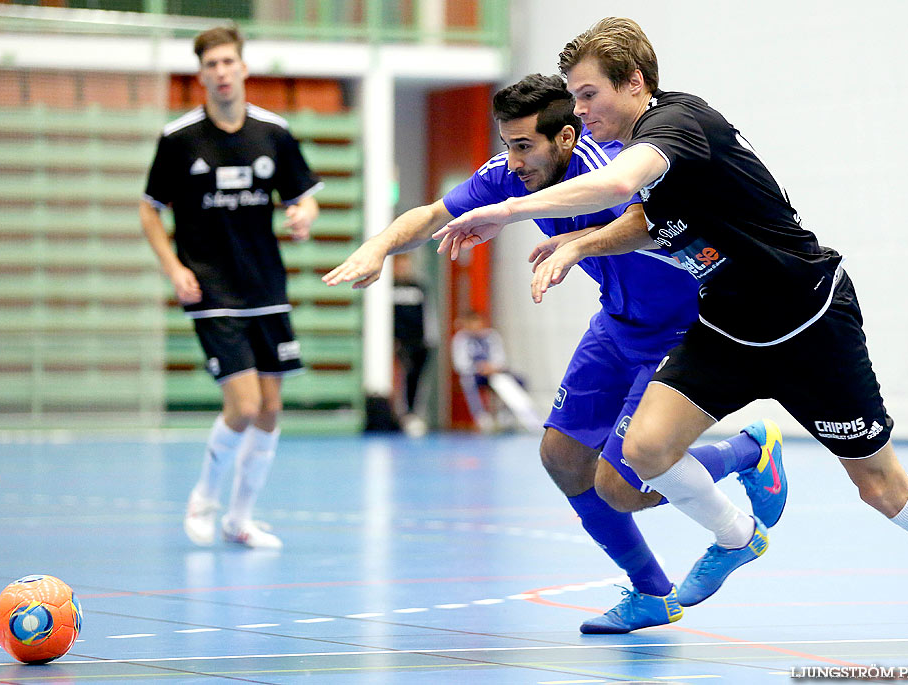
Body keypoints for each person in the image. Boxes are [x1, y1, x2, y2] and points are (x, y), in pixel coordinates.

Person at [434, 18, 908, 648]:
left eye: (589, 94)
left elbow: (617, 185)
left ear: (634, 83)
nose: (579, 110)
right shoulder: (644, 144)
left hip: (809, 323)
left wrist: (507, 211)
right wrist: (581, 245)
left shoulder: (676, 128)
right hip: (725, 325)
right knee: (642, 456)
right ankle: (736, 538)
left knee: (878, 485)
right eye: (573, 96)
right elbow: (645, 219)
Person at [325, 73, 784, 633]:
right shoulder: (510, 176)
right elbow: (429, 215)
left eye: (524, 146)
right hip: (618, 323)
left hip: (686, 328)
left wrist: (573, 240)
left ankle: (747, 453)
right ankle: (650, 593)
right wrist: (377, 247)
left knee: (625, 485)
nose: (513, 162)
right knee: (562, 458)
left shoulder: (614, 163)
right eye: (506, 145)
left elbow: (649, 218)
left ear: (565, 138)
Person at [139, 25, 322, 549]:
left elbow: (304, 197)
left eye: (228, 62)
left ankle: (240, 519)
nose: (221, 71)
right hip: (212, 291)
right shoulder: (178, 140)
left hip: (266, 286)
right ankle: (203, 498)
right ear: (201, 74)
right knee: (241, 406)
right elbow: (149, 211)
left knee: (268, 409)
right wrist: (174, 268)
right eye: (211, 64)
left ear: (243, 68)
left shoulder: (273, 132)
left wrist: (303, 216)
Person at [450, 310, 540, 433]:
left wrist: (492, 368)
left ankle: (506, 417)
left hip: (494, 373)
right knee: (468, 382)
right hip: (474, 374)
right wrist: (478, 368)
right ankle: (481, 417)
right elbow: (460, 364)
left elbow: (500, 359)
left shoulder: (492, 336)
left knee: (519, 380)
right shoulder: (461, 339)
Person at [392, 252, 433, 437]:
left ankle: (412, 413)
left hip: (418, 340)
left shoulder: (419, 287)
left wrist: (429, 339)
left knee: (415, 377)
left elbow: (428, 315)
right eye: (399, 265)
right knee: (400, 377)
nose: (403, 269)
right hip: (397, 341)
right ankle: (397, 414)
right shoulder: (387, 288)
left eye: (405, 265)